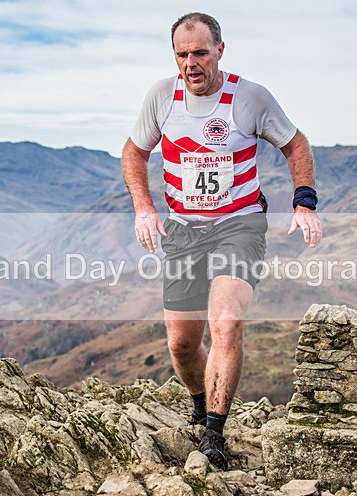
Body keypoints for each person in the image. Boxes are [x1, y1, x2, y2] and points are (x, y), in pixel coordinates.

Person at [122, 12, 322, 470]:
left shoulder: (249, 97)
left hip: (239, 225)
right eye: (182, 55)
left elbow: (295, 144)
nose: (190, 64)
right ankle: (200, 403)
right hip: (183, 231)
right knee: (181, 344)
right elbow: (134, 151)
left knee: (227, 323)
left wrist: (304, 203)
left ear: (220, 50)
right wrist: (144, 208)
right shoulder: (162, 97)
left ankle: (213, 433)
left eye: (200, 53)